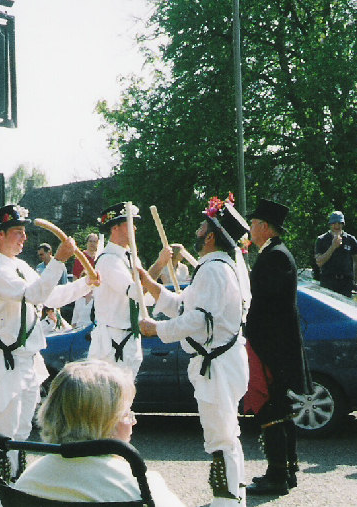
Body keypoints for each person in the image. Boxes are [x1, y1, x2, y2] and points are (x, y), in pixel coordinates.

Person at [0, 204, 98, 506]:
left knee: (21, 430)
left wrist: (85, 284)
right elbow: (33, 294)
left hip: (28, 360)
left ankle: (15, 488)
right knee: (2, 430)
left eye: (24, 233)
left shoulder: (20, 267)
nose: (24, 239)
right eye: (18, 233)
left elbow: (50, 296)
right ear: (0, 235)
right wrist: (59, 259)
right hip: (5, 362)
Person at [138, 195, 251, 507]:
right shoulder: (216, 267)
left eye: (204, 224)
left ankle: (226, 501)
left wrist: (156, 329)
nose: (198, 228)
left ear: (211, 235)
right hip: (223, 363)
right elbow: (183, 304)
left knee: (220, 436)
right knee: (227, 432)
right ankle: (234, 496)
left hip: (218, 366)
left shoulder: (214, 269)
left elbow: (196, 319)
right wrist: (148, 282)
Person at [13, 359, 185, 506]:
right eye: (126, 414)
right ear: (104, 421)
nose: (134, 421)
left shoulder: (28, 482)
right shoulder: (139, 485)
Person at [244, 199, 313, 496]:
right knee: (281, 410)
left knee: (271, 410)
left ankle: (277, 474)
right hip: (276, 345)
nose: (249, 228)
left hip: (273, 347)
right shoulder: (274, 254)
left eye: (252, 223)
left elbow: (267, 306)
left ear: (263, 227)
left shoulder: (275, 257)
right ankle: (287, 471)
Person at [89, 202, 161, 377]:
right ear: (115, 228)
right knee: (108, 398)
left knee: (126, 400)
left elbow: (143, 299)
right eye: (130, 224)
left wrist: (168, 300)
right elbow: (136, 292)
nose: (135, 229)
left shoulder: (131, 258)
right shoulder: (108, 260)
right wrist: (160, 264)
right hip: (111, 342)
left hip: (129, 339)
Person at [314, 210, 357, 297]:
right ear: (330, 224)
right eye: (334, 223)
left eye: (339, 223)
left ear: (343, 224)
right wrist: (333, 247)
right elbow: (319, 262)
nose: (337, 226)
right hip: (328, 281)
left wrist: (356, 280)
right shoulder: (322, 239)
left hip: (346, 283)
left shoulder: (351, 240)